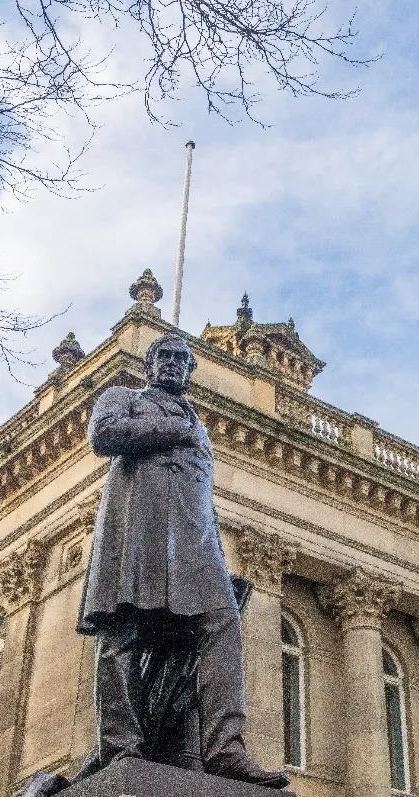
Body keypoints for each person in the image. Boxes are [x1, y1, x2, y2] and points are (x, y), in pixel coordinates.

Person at [76, 333, 288, 788]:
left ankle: (226, 748)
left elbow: (199, 494)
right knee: (122, 632)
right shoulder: (124, 397)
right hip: (137, 531)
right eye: (163, 357)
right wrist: (170, 430)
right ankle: (121, 746)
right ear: (149, 365)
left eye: (180, 359)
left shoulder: (198, 421)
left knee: (221, 622)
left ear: (190, 371)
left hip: (193, 542)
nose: (172, 364)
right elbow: (104, 435)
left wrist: (213, 552)